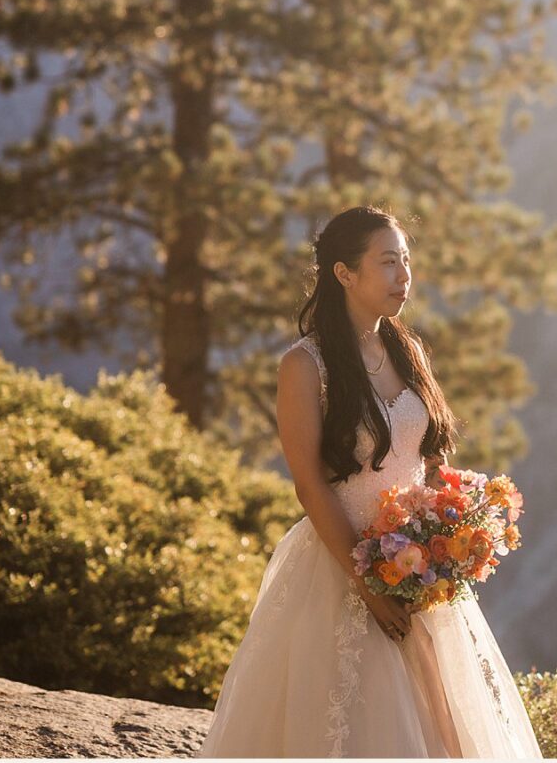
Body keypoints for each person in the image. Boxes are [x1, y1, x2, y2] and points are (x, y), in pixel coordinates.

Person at [200, 206, 539, 758]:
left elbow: (424, 461)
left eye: (406, 261)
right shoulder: (304, 366)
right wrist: (367, 585)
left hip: (416, 567)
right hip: (339, 567)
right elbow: (310, 484)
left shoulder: (407, 351)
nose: (403, 276)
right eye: (387, 263)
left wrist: (447, 531)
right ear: (344, 273)